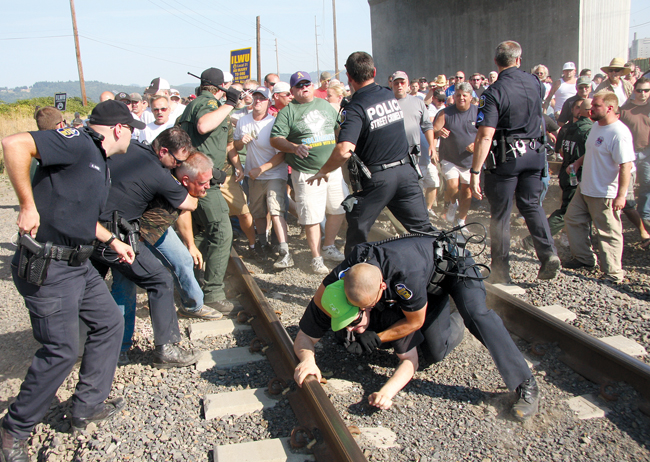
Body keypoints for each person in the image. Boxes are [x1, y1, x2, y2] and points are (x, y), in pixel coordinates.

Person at [0, 101, 141, 461]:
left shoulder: (96, 158)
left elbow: (75, 213)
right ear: (119, 129)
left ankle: (86, 407)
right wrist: (26, 204)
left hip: (77, 263)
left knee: (109, 323)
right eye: (132, 128)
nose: (133, 134)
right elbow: (14, 144)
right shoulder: (78, 141)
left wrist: (112, 241)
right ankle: (14, 431)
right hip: (50, 267)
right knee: (61, 351)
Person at [293, 234, 540, 420]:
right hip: (411, 285)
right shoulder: (334, 285)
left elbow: (414, 322)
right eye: (359, 310)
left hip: (449, 269)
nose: (364, 312)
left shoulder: (404, 277)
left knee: (466, 322)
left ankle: (525, 383)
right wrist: (308, 360)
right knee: (354, 332)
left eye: (367, 307)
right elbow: (305, 335)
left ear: (381, 289)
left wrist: (377, 338)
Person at [91, 127, 203, 367]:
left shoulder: (130, 148)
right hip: (112, 236)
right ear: (163, 151)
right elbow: (189, 203)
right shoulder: (159, 173)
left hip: (89, 224)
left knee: (97, 286)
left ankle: (113, 349)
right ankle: (167, 349)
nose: (176, 166)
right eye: (176, 161)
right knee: (159, 280)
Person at [306, 52, 436, 256]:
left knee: (357, 233)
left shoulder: (356, 106)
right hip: (406, 172)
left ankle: (352, 281)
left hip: (378, 180)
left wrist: (324, 170)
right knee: (424, 231)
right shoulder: (387, 95)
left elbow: (344, 149)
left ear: (349, 77)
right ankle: (447, 271)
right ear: (374, 72)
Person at [470, 40, 561, 283]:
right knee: (532, 205)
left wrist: (475, 171)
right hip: (535, 154)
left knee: (500, 215)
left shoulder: (493, 92)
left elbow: (485, 134)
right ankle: (548, 253)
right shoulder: (535, 83)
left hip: (507, 158)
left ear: (495, 62)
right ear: (519, 60)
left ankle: (500, 271)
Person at [177, 67, 242, 313]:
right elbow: (204, 126)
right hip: (202, 184)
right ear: (220, 86)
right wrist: (230, 104)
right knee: (222, 232)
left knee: (203, 234)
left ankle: (190, 282)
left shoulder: (197, 104)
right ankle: (213, 292)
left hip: (202, 179)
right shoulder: (206, 103)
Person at [270, 71, 347, 274]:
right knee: (312, 216)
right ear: (293, 91)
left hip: (332, 169)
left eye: (306, 84)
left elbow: (339, 128)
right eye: (299, 86)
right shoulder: (288, 111)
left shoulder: (325, 106)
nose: (304, 88)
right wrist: (294, 147)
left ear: (312, 86)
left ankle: (328, 246)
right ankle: (316, 258)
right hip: (307, 172)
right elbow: (275, 138)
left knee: (339, 208)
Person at [563, 92, 635, 283]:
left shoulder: (618, 133)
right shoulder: (596, 126)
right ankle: (584, 259)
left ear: (610, 108)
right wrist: (578, 163)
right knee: (573, 220)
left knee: (608, 232)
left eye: (596, 106)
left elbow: (625, 165)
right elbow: (592, 151)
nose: (591, 109)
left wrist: (621, 195)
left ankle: (613, 273)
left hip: (605, 193)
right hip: (585, 187)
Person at [235, 87, 293, 268]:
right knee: (258, 212)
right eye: (256, 98)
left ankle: (285, 251)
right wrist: (240, 142)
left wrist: (261, 169)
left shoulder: (273, 123)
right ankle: (262, 243)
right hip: (254, 175)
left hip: (274, 173)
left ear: (269, 102)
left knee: (275, 210)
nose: (258, 101)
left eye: (262, 98)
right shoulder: (243, 121)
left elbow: (281, 154)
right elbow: (234, 147)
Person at [391, 71, 438, 220]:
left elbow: (427, 126)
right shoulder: (386, 103)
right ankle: (399, 216)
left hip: (412, 154)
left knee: (414, 187)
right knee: (395, 188)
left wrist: (432, 145)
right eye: (396, 82)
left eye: (402, 82)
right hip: (392, 154)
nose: (399, 85)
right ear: (391, 84)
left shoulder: (418, 102)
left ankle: (416, 216)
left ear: (408, 85)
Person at [433, 82, 478, 227]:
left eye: (464, 95)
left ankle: (461, 221)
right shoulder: (445, 112)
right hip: (450, 157)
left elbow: (486, 134)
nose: (461, 98)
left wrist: (477, 144)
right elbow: (432, 131)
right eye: (458, 95)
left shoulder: (478, 113)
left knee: (466, 190)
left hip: (470, 159)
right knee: (452, 185)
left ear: (471, 97)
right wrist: (439, 132)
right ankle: (452, 203)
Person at [620, 77, 650, 246]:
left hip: (646, 151)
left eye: (646, 90)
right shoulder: (625, 110)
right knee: (627, 189)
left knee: (646, 183)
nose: (643, 94)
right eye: (640, 90)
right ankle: (636, 217)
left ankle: (645, 216)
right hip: (629, 154)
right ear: (634, 91)